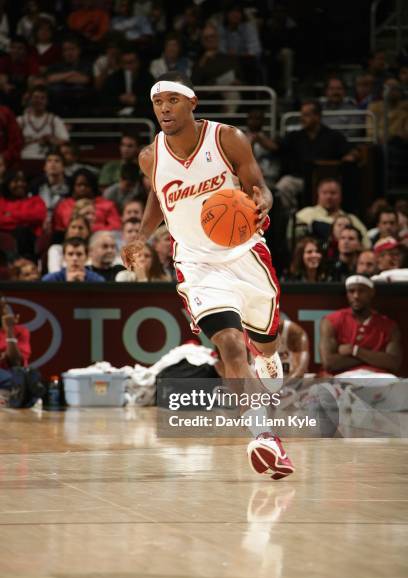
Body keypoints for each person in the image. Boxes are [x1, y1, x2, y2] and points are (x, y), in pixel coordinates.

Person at [121, 71, 294, 480]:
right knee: (231, 345)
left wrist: (263, 203)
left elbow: (259, 188)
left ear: (192, 102)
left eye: (172, 101)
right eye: (157, 102)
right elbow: (157, 195)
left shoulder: (227, 139)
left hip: (245, 253)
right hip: (197, 265)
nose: (164, 108)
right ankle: (264, 436)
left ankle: (268, 358)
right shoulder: (150, 156)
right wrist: (142, 236)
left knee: (264, 344)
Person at [320, 275, 402, 377]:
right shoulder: (331, 320)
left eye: (361, 291)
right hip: (344, 376)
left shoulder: (389, 325)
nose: (356, 296)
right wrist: (373, 357)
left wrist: (354, 351)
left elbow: (393, 363)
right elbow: (329, 363)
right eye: (351, 291)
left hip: (378, 376)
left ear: (371, 293)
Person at [296, 178, 370, 248]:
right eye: (325, 193)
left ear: (340, 196)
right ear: (318, 194)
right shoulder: (305, 215)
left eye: (333, 193)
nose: (329, 196)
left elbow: (366, 245)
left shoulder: (351, 219)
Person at [53, 168, 121, 233]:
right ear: (73, 187)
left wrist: (95, 230)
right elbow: (59, 228)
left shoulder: (107, 205)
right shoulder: (63, 205)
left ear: (93, 187)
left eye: (86, 185)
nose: (83, 188)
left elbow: (116, 227)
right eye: (79, 185)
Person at [17, 86, 69, 159]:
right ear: (30, 99)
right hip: (24, 158)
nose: (39, 101)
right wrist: (24, 141)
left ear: (47, 101)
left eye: (42, 98)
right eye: (36, 97)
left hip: (47, 160)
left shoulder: (54, 120)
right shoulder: (21, 120)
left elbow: (65, 140)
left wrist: (51, 140)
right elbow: (12, 142)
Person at [0, 296, 31, 368]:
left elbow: (16, 362)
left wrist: (9, 330)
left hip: (10, 374)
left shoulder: (21, 331)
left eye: (3, 307)